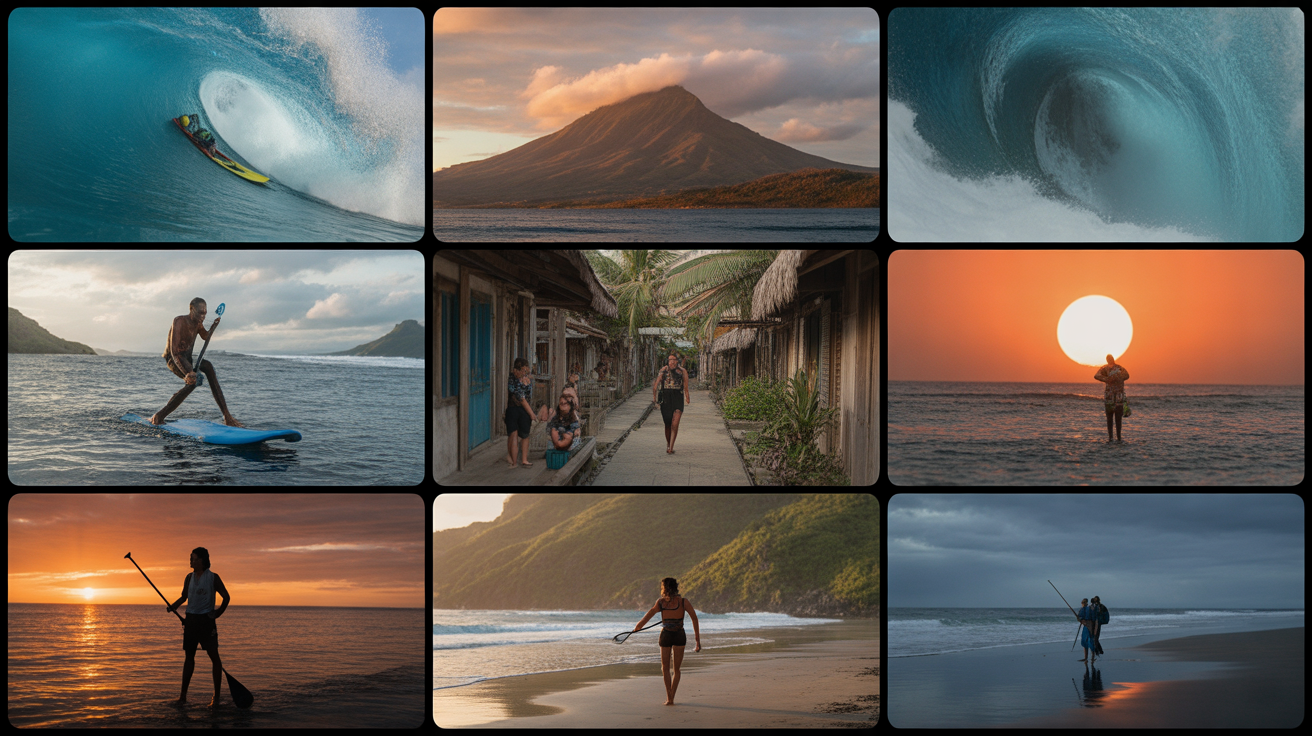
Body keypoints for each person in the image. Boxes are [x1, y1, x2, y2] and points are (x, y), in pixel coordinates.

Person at [150, 298, 243, 427]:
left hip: (188, 358)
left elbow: (205, 336)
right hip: (174, 359)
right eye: (200, 313)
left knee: (208, 367)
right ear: (191, 309)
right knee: (194, 381)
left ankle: (227, 416)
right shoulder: (179, 321)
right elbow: (175, 352)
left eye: (205, 313)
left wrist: (213, 326)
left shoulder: (198, 324)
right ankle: (159, 417)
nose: (203, 316)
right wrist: (188, 373)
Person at [166, 547, 230, 708]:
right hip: (191, 621)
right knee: (189, 658)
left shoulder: (213, 578)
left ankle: (216, 697)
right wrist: (173, 606)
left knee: (214, 657)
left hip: (206, 622)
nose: (191, 561)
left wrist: (217, 613)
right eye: (191, 558)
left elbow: (226, 597)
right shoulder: (189, 577)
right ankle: (183, 697)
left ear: (201, 560)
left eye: (193, 558)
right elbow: (184, 597)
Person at [631, 578, 701, 705]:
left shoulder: (661, 602)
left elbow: (650, 613)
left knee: (665, 668)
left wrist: (638, 626)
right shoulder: (683, 602)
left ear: (664, 588)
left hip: (666, 635)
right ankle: (671, 697)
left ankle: (670, 698)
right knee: (676, 669)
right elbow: (694, 619)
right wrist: (697, 640)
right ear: (675, 587)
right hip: (679, 634)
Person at [652, 353, 691, 454]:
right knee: (668, 424)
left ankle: (671, 447)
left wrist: (687, 396)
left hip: (678, 398)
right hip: (666, 399)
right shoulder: (663, 370)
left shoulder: (682, 371)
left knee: (675, 424)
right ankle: (668, 444)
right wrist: (654, 397)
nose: (672, 362)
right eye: (670, 360)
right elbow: (656, 384)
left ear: (677, 361)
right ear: (668, 361)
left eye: (674, 360)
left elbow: (686, 386)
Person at [505, 358, 535, 468]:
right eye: (522, 370)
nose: (524, 373)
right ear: (516, 370)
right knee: (513, 434)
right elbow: (520, 396)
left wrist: (527, 382)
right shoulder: (512, 378)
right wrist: (531, 413)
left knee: (525, 435)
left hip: (524, 410)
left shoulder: (527, 378)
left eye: (525, 370)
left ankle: (524, 459)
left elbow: (529, 394)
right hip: (513, 409)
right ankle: (513, 461)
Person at [1093, 354, 1129, 442]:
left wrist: (1115, 378)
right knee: (1111, 418)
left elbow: (1127, 376)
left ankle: (1116, 438)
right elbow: (1096, 376)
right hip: (1111, 397)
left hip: (1117, 397)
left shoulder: (1119, 368)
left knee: (1116, 418)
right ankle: (1113, 438)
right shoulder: (1106, 369)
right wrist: (1107, 379)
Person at [1076, 597, 1101, 663]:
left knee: (1089, 641)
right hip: (1089, 626)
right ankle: (1090, 657)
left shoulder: (1086, 608)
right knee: (1086, 641)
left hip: (1089, 626)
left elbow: (1080, 617)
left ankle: (1089, 657)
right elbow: (1080, 618)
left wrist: (1081, 620)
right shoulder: (1089, 608)